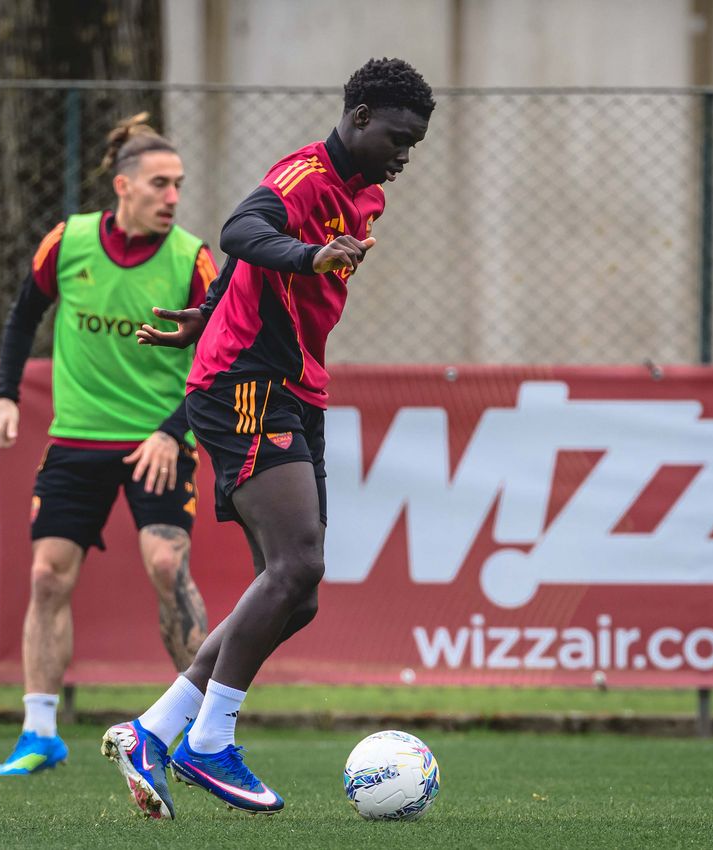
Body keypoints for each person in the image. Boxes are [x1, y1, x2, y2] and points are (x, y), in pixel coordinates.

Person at [100, 58, 435, 819]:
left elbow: (244, 266)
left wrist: (208, 308)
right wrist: (310, 255)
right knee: (297, 563)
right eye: (397, 137)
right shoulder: (304, 176)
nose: (404, 154)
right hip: (246, 383)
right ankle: (209, 742)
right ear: (358, 117)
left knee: (298, 596)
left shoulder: (366, 195)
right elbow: (242, 230)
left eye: (414, 143)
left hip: (295, 387)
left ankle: (154, 730)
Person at [0, 114, 218, 776]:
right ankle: (39, 733)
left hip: (159, 441)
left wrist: (173, 430)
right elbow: (23, 317)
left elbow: (223, 357)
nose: (173, 197)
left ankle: (205, 736)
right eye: (160, 184)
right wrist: (5, 392)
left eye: (179, 184)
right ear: (123, 186)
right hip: (77, 438)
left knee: (167, 567)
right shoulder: (69, 242)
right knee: (46, 575)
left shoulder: (193, 259)